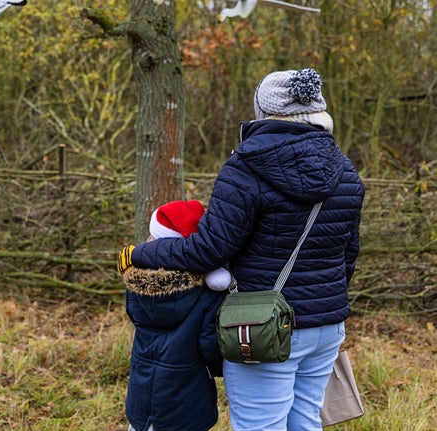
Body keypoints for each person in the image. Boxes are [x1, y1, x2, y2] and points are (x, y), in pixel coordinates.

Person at [118, 68, 365, 431]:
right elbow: (348, 254)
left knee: (260, 425)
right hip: (327, 325)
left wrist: (138, 255)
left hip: (262, 326)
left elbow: (208, 251)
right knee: (305, 422)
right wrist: (321, 303)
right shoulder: (346, 171)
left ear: (262, 111)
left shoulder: (246, 168)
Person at [123, 200, 232, 431]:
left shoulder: (136, 285)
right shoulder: (205, 293)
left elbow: (134, 316)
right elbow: (210, 346)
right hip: (186, 398)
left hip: (142, 393)